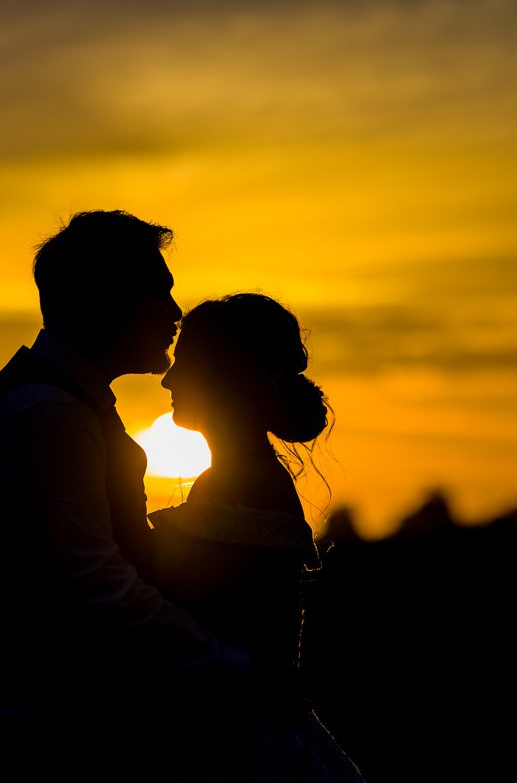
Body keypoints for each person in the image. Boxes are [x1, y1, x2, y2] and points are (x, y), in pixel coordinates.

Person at [0, 211, 248, 780]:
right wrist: (228, 664)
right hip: (44, 739)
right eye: (159, 293)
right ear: (109, 298)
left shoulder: (52, 405)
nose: (175, 314)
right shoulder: (49, 414)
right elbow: (92, 582)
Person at [150, 292, 367, 782]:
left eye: (185, 363)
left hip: (243, 744)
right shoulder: (232, 479)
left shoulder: (245, 483)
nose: (168, 379)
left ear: (226, 377)